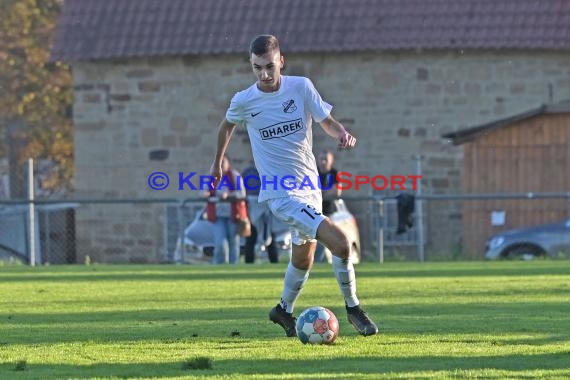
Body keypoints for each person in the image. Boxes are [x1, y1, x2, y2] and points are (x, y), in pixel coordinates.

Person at [209, 35, 378, 336]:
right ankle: (354, 308)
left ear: (281, 61)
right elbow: (226, 127)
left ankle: (283, 310)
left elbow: (325, 120)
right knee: (339, 243)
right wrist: (216, 164)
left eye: (269, 67)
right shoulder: (245, 100)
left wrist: (340, 132)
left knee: (303, 257)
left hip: (310, 188)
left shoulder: (300, 87)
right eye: (257, 68)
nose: (264, 74)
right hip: (280, 193)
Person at [207, 155, 246, 264]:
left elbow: (242, 193)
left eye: (223, 162)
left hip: (233, 215)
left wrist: (228, 195)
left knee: (233, 243)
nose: (221, 164)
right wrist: (205, 194)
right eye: (219, 162)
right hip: (217, 215)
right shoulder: (212, 177)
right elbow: (203, 190)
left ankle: (234, 267)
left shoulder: (234, 175)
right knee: (220, 243)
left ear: (228, 163)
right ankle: (219, 267)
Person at [242, 164, 280, 264]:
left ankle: (274, 263)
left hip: (268, 211)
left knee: (271, 238)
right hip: (251, 211)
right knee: (251, 238)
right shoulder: (248, 172)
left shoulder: (271, 170)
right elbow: (242, 191)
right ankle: (249, 264)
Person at [315, 149, 342, 262]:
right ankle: (321, 260)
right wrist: (325, 192)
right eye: (321, 159)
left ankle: (318, 261)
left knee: (324, 237)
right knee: (315, 237)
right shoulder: (313, 172)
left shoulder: (334, 173)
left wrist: (320, 193)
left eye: (326, 159)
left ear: (331, 161)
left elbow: (337, 191)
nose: (323, 162)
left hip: (328, 211)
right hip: (314, 210)